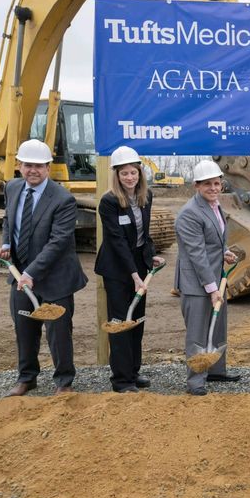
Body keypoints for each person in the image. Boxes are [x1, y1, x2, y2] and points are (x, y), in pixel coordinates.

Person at [0, 139, 88, 397]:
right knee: (24, 328)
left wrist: (31, 273)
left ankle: (64, 381)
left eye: (38, 166)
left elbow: (58, 243)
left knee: (58, 332)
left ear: (48, 168)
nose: (32, 170)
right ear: (19, 166)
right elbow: (8, 219)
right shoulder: (12, 188)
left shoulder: (63, 199)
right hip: (21, 275)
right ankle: (27, 378)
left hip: (55, 277)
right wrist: (6, 243)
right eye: (27, 165)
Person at [94, 146, 164, 393]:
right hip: (117, 268)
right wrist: (135, 276)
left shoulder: (146, 196)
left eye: (133, 172)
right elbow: (117, 241)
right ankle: (121, 380)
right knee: (121, 322)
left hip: (138, 264)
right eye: (124, 173)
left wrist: (151, 256)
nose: (130, 177)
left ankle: (133, 371)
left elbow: (143, 234)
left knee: (137, 320)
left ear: (139, 173)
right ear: (117, 175)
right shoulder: (109, 201)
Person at [174, 160, 241, 396]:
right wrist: (213, 289)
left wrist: (225, 252)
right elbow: (197, 255)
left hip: (215, 277)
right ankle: (195, 380)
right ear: (196, 185)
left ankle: (215, 371)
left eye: (216, 183)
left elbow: (213, 242)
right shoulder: (189, 214)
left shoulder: (215, 206)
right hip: (197, 283)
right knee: (198, 332)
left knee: (218, 326)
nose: (213, 188)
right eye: (207, 184)